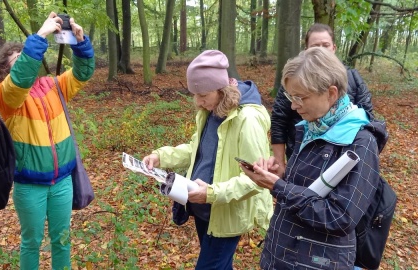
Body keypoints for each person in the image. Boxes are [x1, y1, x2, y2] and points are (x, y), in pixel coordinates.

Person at [241, 47, 388, 269]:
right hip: (282, 253)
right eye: (291, 96)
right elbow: (307, 190)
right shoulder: (310, 128)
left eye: (300, 97)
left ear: (331, 93)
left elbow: (339, 217)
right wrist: (281, 174)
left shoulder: (361, 143)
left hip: (318, 261)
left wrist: (279, 187)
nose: (293, 105)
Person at [142, 50, 273, 270]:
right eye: (195, 94)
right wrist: (160, 156)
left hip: (227, 213)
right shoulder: (210, 112)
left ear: (222, 89)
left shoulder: (247, 119)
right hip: (204, 210)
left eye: (203, 95)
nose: (199, 102)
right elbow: (195, 150)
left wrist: (211, 193)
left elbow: (257, 179)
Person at [0, 12, 95, 269]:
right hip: (30, 185)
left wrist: (80, 43)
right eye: (18, 60)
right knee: (32, 241)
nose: (26, 61)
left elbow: (82, 74)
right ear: (5, 70)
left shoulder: (53, 86)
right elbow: (20, 80)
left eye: (26, 58)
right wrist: (39, 36)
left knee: (61, 240)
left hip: (62, 182)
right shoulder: (6, 95)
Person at [271, 23, 374, 176]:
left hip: (340, 163)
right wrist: (279, 164)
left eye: (325, 45)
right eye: (315, 46)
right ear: (306, 51)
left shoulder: (352, 78)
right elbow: (279, 121)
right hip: (300, 155)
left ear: (334, 48)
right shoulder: (294, 81)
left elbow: (368, 118)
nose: (320, 50)